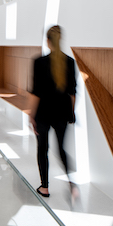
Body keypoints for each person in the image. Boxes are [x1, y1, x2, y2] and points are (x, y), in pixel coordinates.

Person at [27, 25, 77, 199]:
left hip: (43, 113)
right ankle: (72, 184)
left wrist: (31, 115)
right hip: (62, 112)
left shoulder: (39, 62)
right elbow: (72, 93)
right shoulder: (70, 62)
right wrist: (71, 113)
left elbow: (36, 93)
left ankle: (45, 187)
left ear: (48, 41)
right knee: (61, 149)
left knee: (43, 149)